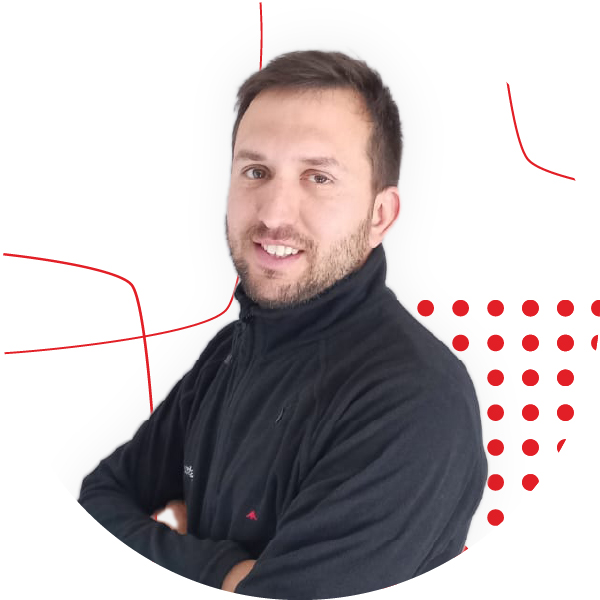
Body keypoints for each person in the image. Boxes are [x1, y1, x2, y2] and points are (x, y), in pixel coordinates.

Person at [78, 50, 488, 599]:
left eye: (318, 177)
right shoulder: (231, 351)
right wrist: (225, 571)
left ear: (380, 215)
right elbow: (97, 504)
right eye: (256, 171)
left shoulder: (414, 401)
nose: (273, 213)